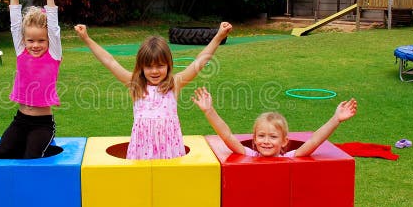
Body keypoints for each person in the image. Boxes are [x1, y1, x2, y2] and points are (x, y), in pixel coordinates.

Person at [74, 22, 233, 159]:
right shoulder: (135, 84)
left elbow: (199, 62)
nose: (155, 71)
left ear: (168, 65)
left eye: (160, 66)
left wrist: (219, 36)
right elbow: (109, 61)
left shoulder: (174, 84)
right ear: (141, 67)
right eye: (149, 66)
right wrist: (87, 39)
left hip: (170, 152)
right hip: (141, 152)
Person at [0, 0, 61, 158]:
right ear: (24, 41)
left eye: (41, 41)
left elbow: (54, 30)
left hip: (43, 123)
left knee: (31, 156)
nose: (35, 45)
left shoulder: (53, 55)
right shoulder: (21, 52)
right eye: (31, 41)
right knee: (3, 151)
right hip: (20, 120)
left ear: (48, 41)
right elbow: (15, 26)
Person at [192, 86, 357, 157]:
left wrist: (336, 119)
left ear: (284, 141)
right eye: (261, 136)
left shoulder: (290, 157)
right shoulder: (249, 154)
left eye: (273, 137)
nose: (266, 141)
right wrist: (209, 111)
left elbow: (314, 141)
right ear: (254, 139)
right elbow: (227, 136)